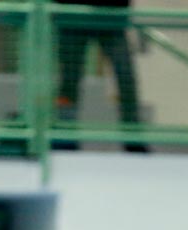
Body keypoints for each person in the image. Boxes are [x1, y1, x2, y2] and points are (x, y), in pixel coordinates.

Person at [52, 0, 148, 152]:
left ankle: (133, 137)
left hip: (111, 18)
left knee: (126, 78)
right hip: (72, 17)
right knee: (69, 81)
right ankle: (65, 133)